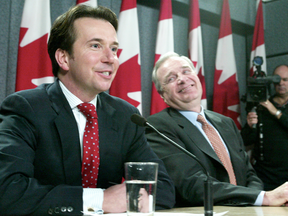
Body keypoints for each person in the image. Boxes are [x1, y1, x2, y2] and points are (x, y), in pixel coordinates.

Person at [0, 5, 175, 216]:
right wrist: (101, 200)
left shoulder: (125, 115)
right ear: (64, 58)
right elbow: (8, 191)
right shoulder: (26, 108)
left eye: (113, 49)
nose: (110, 58)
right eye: (95, 46)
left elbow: (162, 190)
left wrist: (127, 198)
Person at [145, 51, 288, 207]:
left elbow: (249, 175)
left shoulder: (226, 123)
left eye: (186, 71)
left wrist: (253, 203)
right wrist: (263, 198)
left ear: (196, 76)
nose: (182, 79)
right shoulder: (157, 127)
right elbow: (192, 184)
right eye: (171, 78)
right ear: (162, 94)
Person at [241, 64, 288, 191]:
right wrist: (250, 126)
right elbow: (246, 141)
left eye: (285, 79)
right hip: (265, 175)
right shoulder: (262, 105)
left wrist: (276, 112)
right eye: (277, 80)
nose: (281, 83)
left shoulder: (270, 107)